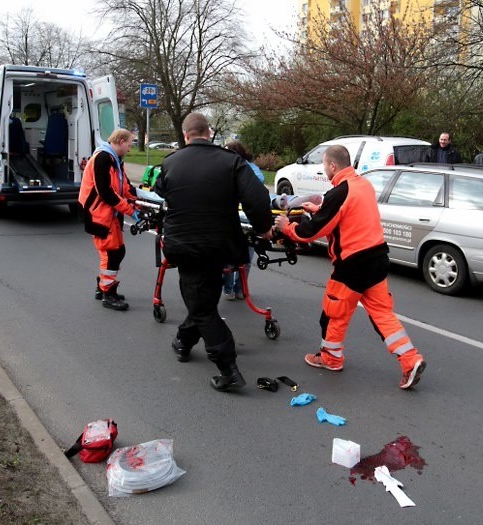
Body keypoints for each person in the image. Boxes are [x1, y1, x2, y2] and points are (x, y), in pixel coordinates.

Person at [274, 145, 427, 390]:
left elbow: (311, 232)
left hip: (353, 264)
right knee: (382, 315)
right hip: (377, 258)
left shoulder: (339, 192)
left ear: (333, 166)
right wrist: (321, 210)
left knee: (334, 313)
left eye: (324, 165)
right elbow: (347, 214)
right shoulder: (362, 184)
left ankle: (331, 358)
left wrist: (286, 228)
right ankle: (411, 360)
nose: (324, 170)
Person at [155, 113, 273, 392]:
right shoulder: (232, 162)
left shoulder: (171, 162)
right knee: (203, 298)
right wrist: (264, 228)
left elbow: (162, 190)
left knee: (202, 305)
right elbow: (257, 198)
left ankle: (228, 368)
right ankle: (183, 341)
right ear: (208, 132)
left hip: (185, 245)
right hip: (220, 245)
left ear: (186, 135)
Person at [78, 128, 139, 311]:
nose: (130, 149)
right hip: (97, 214)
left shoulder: (115, 159)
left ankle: (102, 287)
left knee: (118, 251)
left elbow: (125, 187)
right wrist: (131, 211)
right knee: (111, 253)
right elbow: (106, 192)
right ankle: (107, 294)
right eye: (129, 144)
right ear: (120, 141)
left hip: (108, 213)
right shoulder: (103, 159)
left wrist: (144, 201)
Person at [222, 140, 265, 301]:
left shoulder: (240, 169)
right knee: (245, 257)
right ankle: (238, 289)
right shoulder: (251, 169)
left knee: (230, 258)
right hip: (246, 217)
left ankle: (232, 289)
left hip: (238, 218)